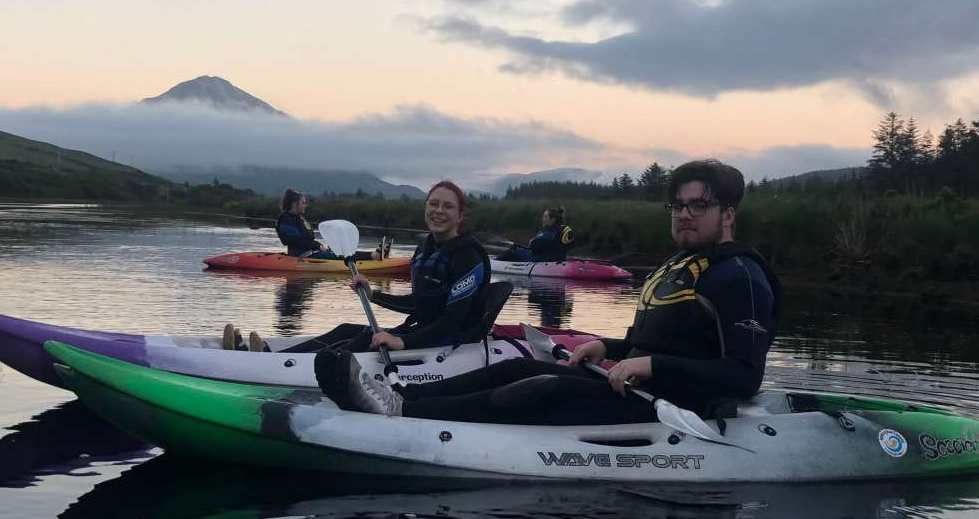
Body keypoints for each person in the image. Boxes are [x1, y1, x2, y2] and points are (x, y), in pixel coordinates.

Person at [316, 159, 783, 425]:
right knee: (521, 363)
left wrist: (651, 364)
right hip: (635, 383)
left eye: (697, 205)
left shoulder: (739, 276)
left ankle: (406, 413)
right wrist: (609, 347)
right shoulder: (681, 266)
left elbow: (743, 377)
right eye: (677, 205)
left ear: (728, 212)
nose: (683, 214)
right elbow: (658, 346)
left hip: (676, 406)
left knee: (544, 385)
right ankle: (405, 402)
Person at [281, 180, 492, 353]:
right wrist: (374, 295)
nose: (438, 211)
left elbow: (454, 320)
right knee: (346, 330)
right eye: (433, 204)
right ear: (426, 207)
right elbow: (417, 304)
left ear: (460, 216)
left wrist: (403, 342)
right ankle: (268, 355)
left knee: (361, 344)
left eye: (448, 206)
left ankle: (280, 367)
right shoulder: (426, 249)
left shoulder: (467, 256)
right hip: (423, 333)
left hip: (452, 343)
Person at [496, 207, 574, 262]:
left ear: (553, 220)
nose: (542, 219)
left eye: (545, 217)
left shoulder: (549, 232)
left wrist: (532, 241)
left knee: (511, 252)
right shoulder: (561, 229)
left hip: (540, 259)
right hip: (553, 258)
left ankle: (492, 264)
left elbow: (534, 246)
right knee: (515, 248)